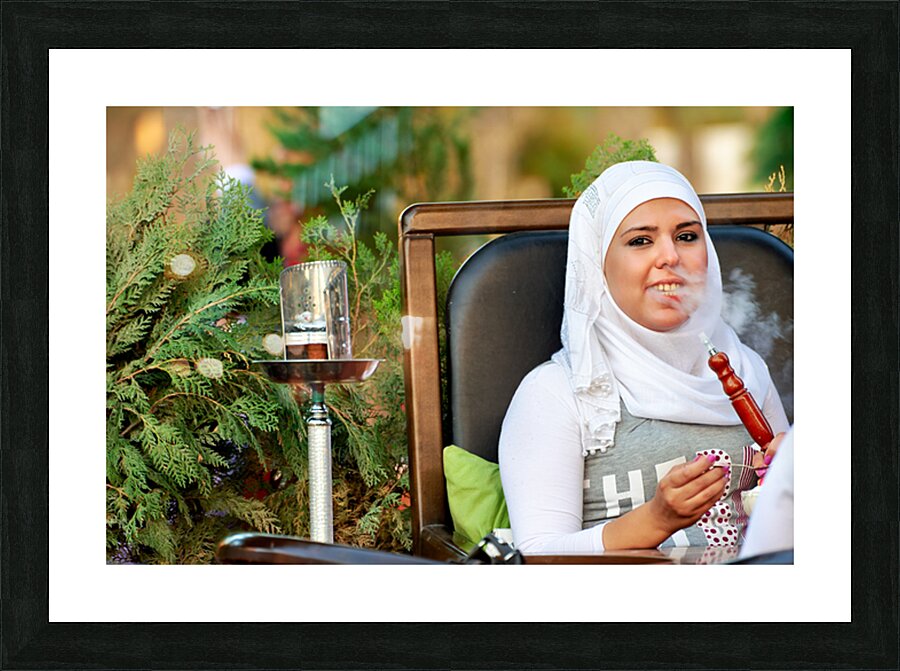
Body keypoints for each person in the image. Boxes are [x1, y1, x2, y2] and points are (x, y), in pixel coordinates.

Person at [498, 161, 790, 554]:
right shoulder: (555, 393)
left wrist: (794, 475)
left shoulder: (746, 367)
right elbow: (536, 555)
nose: (670, 256)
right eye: (640, 241)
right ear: (598, 265)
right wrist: (656, 520)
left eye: (686, 236)